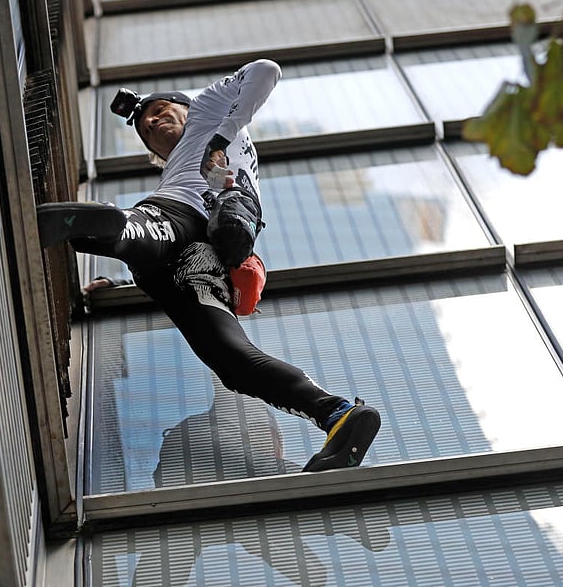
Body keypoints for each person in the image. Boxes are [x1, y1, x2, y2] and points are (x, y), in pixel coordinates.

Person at [37, 59, 379, 472]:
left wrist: (219, 135)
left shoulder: (208, 111)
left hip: (187, 221)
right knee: (233, 358)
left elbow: (265, 70)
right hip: (196, 256)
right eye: (146, 127)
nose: (152, 121)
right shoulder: (181, 166)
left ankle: (113, 226)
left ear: (187, 108)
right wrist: (117, 284)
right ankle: (336, 412)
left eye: (161, 110)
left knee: (146, 232)